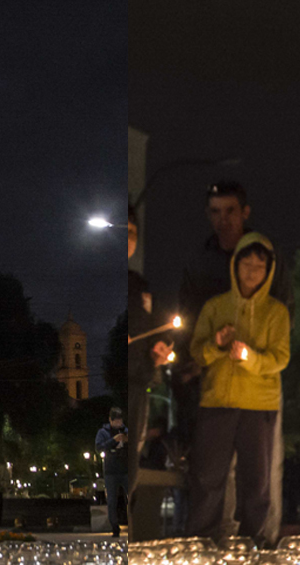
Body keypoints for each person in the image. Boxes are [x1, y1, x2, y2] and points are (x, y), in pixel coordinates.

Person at [177, 181, 292, 544]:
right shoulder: (205, 280)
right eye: (215, 211)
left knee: (258, 480)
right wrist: (209, 350)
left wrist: (251, 358)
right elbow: (194, 335)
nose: (222, 219)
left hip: (259, 401)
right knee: (209, 476)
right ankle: (204, 544)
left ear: (244, 212)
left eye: (230, 210)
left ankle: (261, 545)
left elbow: (281, 351)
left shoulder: (275, 307)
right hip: (215, 394)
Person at [127, 204, 172, 541]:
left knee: (130, 465)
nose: (126, 239)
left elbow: (155, 330)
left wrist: (160, 348)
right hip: (121, 381)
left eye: (131, 232)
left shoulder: (139, 284)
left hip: (139, 381)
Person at [97, 408, 129, 537]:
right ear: (110, 420)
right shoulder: (103, 432)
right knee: (112, 500)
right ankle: (115, 527)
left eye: (120, 420)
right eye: (115, 420)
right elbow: (99, 447)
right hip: (111, 470)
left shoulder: (126, 431)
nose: (118, 422)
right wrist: (114, 440)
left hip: (126, 469)